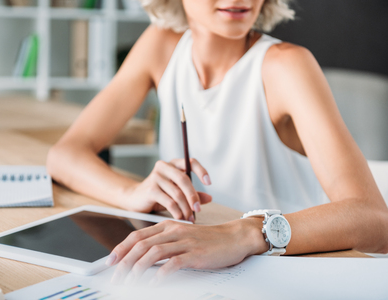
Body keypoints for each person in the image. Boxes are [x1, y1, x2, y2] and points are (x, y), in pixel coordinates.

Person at [47, 0, 388, 285]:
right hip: (203, 267)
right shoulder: (162, 45)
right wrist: (131, 193)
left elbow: (375, 220)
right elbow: (65, 154)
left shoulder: (286, 65)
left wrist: (245, 233)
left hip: (288, 272)